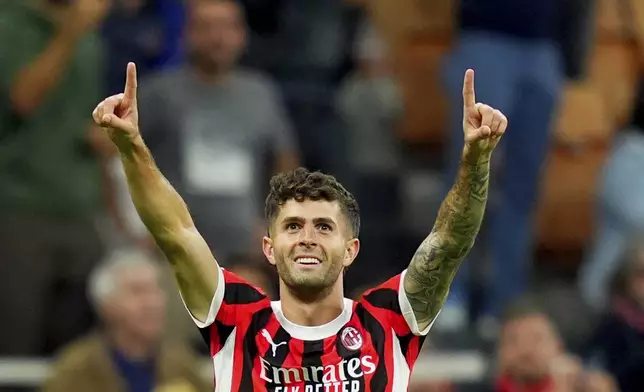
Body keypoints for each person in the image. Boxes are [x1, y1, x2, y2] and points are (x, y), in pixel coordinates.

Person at [91, 62, 507, 390]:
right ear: (269, 248)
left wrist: (476, 160)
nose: (307, 237)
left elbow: (450, 241)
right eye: (293, 226)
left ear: (351, 250)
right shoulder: (238, 320)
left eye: (324, 227)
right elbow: (177, 233)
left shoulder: (388, 320)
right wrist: (131, 146)